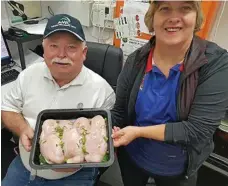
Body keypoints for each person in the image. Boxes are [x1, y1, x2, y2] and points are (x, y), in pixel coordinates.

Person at [111, 1, 228, 186]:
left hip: (178, 170)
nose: (174, 18)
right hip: (133, 159)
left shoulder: (214, 63)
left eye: (185, 8)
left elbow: (198, 130)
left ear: (196, 16)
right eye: (165, 8)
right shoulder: (136, 61)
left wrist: (139, 132)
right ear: (153, 17)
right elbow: (119, 112)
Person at [1, 14, 115, 186]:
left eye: (71, 47)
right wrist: (22, 129)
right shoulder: (27, 76)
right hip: (26, 165)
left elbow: (106, 139)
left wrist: (80, 158)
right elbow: (8, 107)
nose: (61, 54)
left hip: (75, 174)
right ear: (44, 49)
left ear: (83, 53)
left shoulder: (102, 91)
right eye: (54, 46)